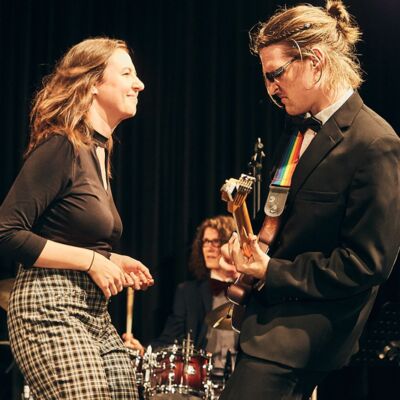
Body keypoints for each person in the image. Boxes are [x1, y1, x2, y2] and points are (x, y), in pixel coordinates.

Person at [219, 1, 400, 399]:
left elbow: (367, 263)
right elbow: (282, 225)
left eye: (276, 74)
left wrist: (272, 270)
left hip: (304, 335)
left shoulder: (375, 142)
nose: (270, 89)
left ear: (315, 62)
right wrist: (249, 246)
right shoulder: (297, 131)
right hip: (267, 326)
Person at [0, 37, 154, 400]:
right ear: (93, 82)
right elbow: (6, 231)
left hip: (93, 310)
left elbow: (64, 233)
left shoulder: (98, 152)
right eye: (127, 73)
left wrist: (110, 259)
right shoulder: (62, 145)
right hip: (49, 306)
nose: (139, 84)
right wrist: (91, 261)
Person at [124, 215, 239, 375]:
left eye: (216, 241)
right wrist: (144, 350)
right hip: (202, 378)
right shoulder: (188, 292)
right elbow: (170, 339)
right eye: (205, 242)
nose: (209, 248)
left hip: (241, 377)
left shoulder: (249, 289)